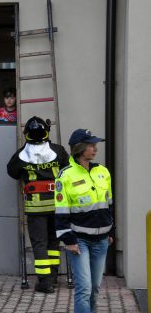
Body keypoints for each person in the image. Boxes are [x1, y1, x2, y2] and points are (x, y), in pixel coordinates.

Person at [7, 117, 69, 293]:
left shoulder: (21, 154)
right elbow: (68, 170)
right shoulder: (58, 150)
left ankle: (44, 282)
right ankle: (54, 277)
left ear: (27, 134)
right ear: (46, 132)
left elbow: (12, 171)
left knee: (39, 243)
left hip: (36, 207)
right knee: (54, 241)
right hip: (57, 205)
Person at [55, 129, 114, 313]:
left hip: (102, 241)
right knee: (84, 288)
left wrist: (111, 232)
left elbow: (109, 205)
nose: (95, 148)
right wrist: (68, 239)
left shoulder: (102, 172)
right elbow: (61, 211)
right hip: (79, 241)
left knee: (95, 288)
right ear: (80, 148)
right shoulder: (65, 175)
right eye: (91, 145)